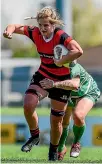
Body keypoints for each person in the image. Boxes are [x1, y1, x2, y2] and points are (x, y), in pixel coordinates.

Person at [3, 6, 83, 161]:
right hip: (44, 74)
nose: (43, 28)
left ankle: (53, 152)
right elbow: (14, 26)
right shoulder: (35, 32)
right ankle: (34, 136)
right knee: (28, 103)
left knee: (56, 121)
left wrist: (61, 61)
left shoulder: (61, 36)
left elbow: (78, 51)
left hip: (61, 81)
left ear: (53, 25)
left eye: (46, 25)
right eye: (40, 25)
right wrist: (9, 31)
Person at [40, 62, 101, 160]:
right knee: (63, 121)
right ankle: (61, 148)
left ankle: (76, 143)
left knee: (78, 115)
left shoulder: (73, 67)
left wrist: (53, 84)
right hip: (68, 94)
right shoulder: (52, 67)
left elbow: (74, 84)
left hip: (86, 92)